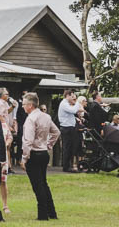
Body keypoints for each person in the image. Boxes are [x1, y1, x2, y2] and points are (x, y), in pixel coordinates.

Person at [21, 93, 60, 221]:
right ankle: (51, 212)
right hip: (43, 153)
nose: (22, 106)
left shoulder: (31, 119)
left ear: (30, 105)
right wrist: (48, 145)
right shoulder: (46, 116)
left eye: (24, 104)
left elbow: (28, 141)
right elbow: (56, 132)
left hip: (34, 153)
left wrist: (24, 158)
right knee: (43, 183)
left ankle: (43, 215)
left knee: (37, 185)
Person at [57, 90, 85, 173]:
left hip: (70, 128)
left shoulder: (67, 104)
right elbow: (73, 111)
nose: (73, 98)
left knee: (71, 147)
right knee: (67, 148)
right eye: (72, 96)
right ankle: (66, 167)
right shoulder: (64, 104)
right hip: (66, 128)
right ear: (67, 96)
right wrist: (77, 102)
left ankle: (69, 166)